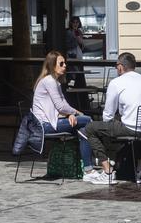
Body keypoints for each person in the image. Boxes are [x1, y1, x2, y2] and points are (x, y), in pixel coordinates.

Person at [85, 52, 141, 185]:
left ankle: (107, 171)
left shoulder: (116, 83)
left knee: (90, 128)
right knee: (136, 128)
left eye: (116, 67)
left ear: (120, 67)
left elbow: (107, 115)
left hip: (134, 129)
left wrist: (115, 122)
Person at [30, 51, 95, 179]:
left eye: (65, 63)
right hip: (44, 126)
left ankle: (89, 168)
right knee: (87, 121)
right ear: (52, 65)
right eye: (61, 63)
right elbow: (60, 107)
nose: (65, 65)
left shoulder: (55, 82)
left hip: (51, 122)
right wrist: (76, 113)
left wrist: (70, 115)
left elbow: (62, 105)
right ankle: (92, 163)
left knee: (83, 128)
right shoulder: (49, 81)